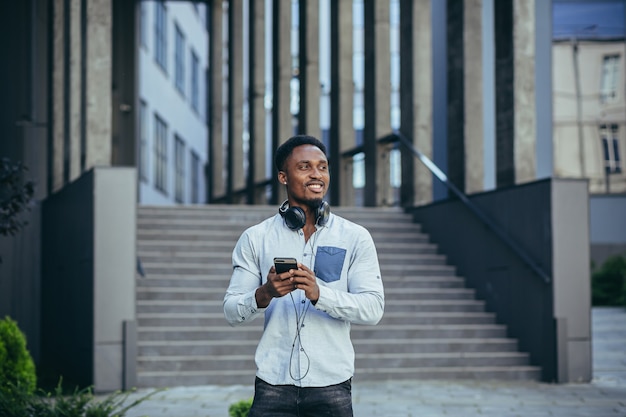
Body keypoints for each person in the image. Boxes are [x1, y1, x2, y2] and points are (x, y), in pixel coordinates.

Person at [223, 134, 384, 416]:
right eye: (305, 167)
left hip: (332, 385)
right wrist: (265, 293)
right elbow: (231, 312)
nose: (316, 174)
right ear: (283, 177)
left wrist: (319, 294)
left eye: (322, 167)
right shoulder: (256, 238)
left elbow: (373, 310)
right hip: (273, 384)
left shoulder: (355, 237)